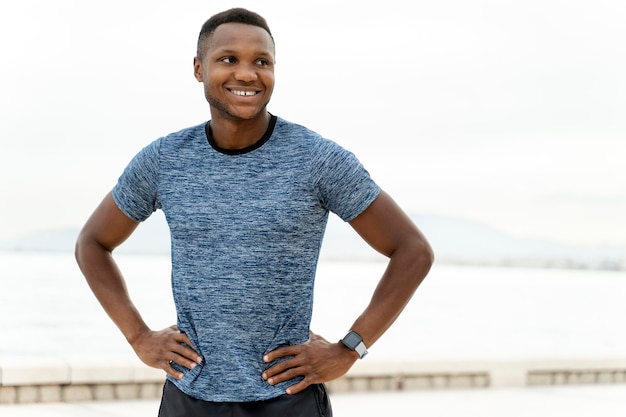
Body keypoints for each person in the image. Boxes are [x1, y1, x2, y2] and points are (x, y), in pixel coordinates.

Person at [75, 7, 434, 417]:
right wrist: (138, 336)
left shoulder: (317, 159)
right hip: (188, 399)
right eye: (228, 59)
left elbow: (412, 250)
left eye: (261, 62)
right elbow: (92, 243)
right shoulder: (165, 160)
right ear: (198, 68)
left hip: (288, 400)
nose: (247, 74)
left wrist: (350, 348)